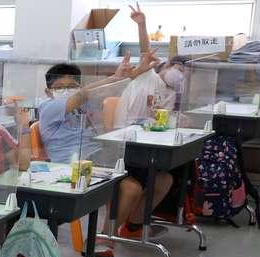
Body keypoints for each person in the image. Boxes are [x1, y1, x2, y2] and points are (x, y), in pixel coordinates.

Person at [38, 61, 171, 240]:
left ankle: (133, 227)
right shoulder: (48, 107)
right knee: (131, 188)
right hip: (74, 164)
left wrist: (128, 76)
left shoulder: (84, 104)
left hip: (99, 155)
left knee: (163, 180)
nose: (66, 91)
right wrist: (116, 77)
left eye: (72, 86)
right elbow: (84, 94)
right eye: (59, 87)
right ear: (48, 92)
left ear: (79, 86)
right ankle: (104, 238)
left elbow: (105, 91)